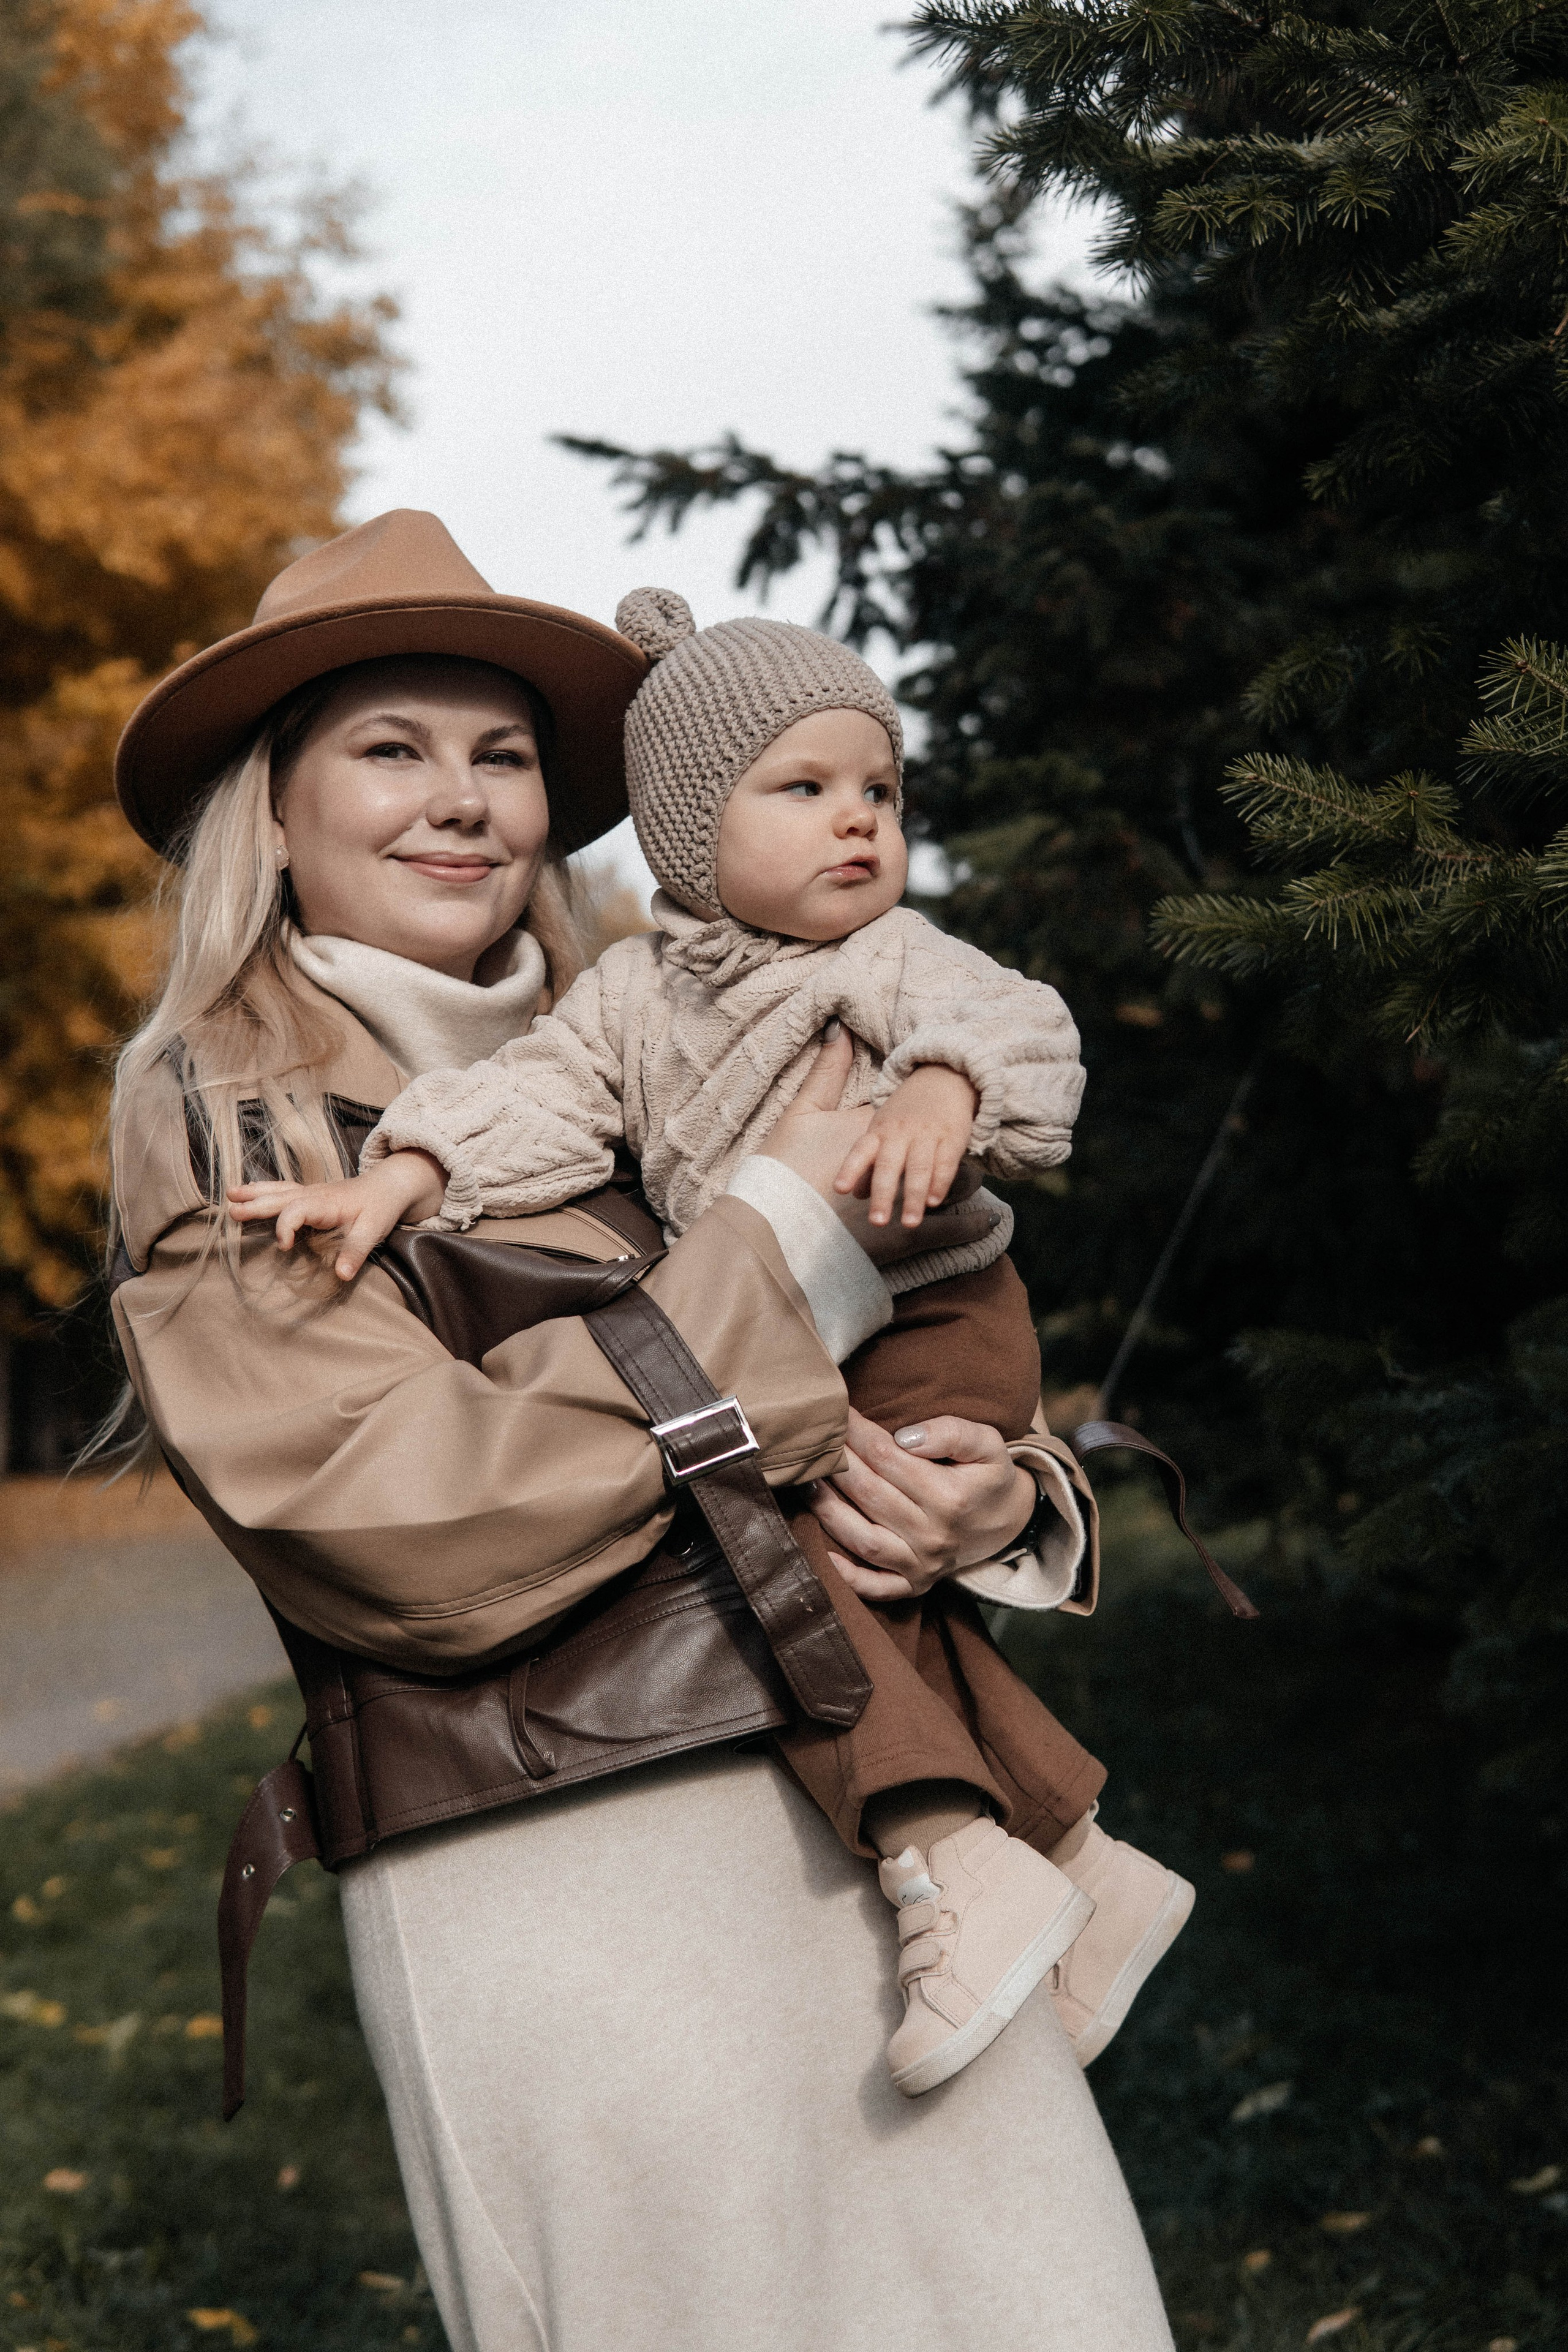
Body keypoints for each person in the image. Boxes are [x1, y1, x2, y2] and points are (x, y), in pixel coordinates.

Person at [108, 510, 1177, 2351]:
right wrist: (773, 1240)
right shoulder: (237, 1113)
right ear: (267, 810)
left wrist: (994, 1501)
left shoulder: (685, 1028)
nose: (464, 803)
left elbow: (899, 1346)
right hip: (565, 1875)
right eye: (391, 749)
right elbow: (393, 1522)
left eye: (503, 756)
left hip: (876, 1842)